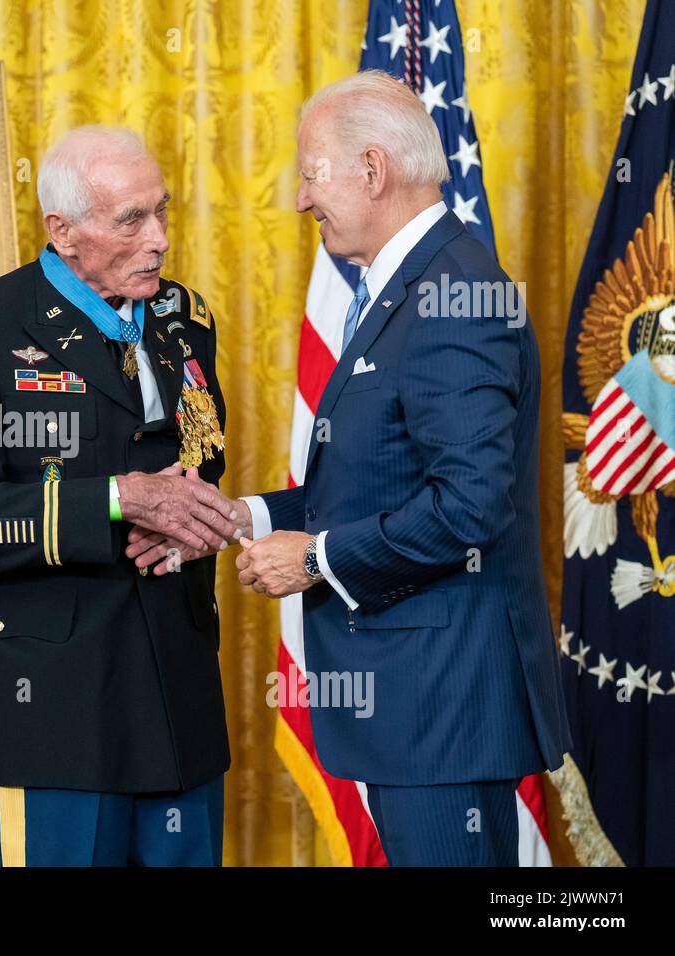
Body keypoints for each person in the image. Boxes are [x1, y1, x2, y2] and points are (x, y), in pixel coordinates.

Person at [134, 70, 571, 866]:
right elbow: (384, 481)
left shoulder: (453, 296)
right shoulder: (411, 282)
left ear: (372, 170)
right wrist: (245, 519)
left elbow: (471, 506)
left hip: (444, 710)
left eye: (311, 174)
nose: (302, 199)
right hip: (423, 704)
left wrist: (315, 557)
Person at [0, 125, 239, 866]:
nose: (159, 238)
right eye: (131, 220)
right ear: (62, 231)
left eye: (161, 212)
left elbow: (201, 464)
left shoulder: (184, 320)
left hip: (180, 691)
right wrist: (114, 499)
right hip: (62, 712)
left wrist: (189, 522)